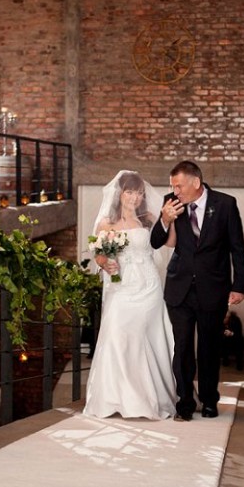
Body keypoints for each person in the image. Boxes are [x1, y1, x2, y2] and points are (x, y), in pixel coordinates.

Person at [151, 160, 244, 421]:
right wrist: (165, 219)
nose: (175, 191)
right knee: (182, 347)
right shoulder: (171, 202)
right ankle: (184, 402)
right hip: (179, 289)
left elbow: (237, 248)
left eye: (179, 186)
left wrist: (239, 286)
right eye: (173, 186)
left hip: (213, 289)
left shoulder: (225, 204)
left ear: (196, 182)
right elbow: (155, 242)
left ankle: (209, 400)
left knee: (209, 348)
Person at [83, 171, 177, 420]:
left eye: (139, 193)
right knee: (117, 335)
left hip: (148, 285)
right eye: (130, 192)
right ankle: (116, 397)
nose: (135, 197)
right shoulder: (106, 223)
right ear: (120, 193)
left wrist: (170, 220)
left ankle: (147, 398)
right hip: (121, 286)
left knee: (145, 337)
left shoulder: (148, 219)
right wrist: (106, 264)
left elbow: (170, 242)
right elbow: (99, 256)